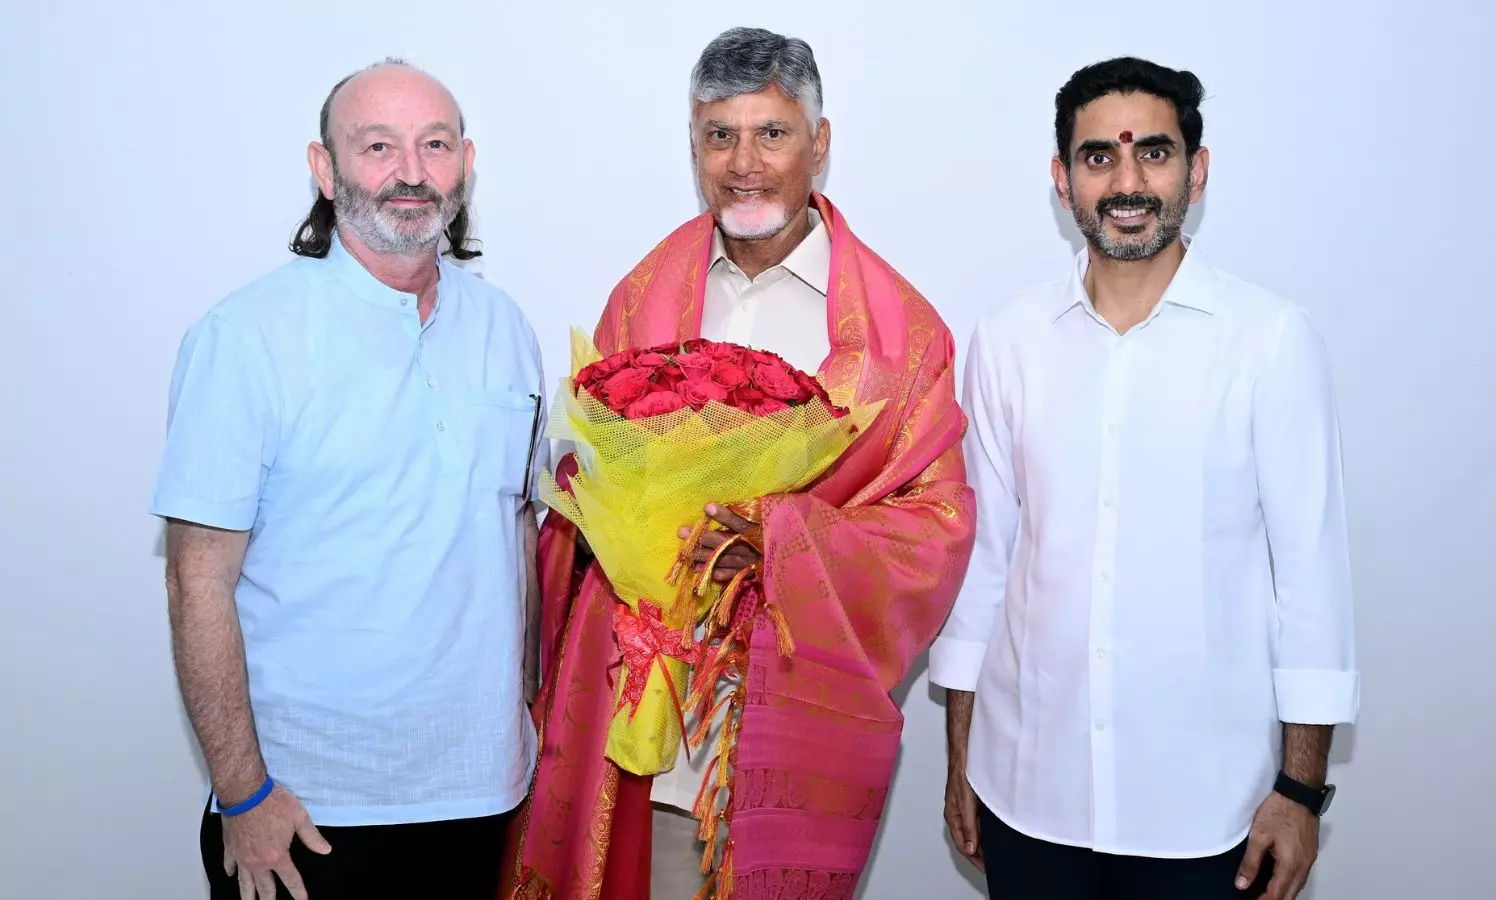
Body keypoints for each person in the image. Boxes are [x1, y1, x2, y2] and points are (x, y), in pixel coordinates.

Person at [500, 26, 977, 900]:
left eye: (772, 133)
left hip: (785, 740)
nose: (743, 163)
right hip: (638, 751)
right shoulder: (643, 298)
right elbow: (584, 493)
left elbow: (934, 530)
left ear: (819, 144)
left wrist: (783, 542)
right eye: (719, 135)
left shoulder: (897, 339)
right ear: (693, 146)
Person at [930, 56, 1360, 900]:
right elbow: (982, 566)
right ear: (1063, 181)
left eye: (1153, 153)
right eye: (1099, 157)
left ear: (1197, 172)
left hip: (1212, 812)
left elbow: (1312, 581)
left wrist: (1301, 791)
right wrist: (962, 762)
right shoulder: (1009, 340)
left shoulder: (1270, 342)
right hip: (1027, 793)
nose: (1127, 183)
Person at [150, 58, 546, 900]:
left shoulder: (507, 328)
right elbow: (196, 581)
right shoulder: (245, 338)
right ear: (325, 170)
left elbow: (516, 528)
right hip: (307, 812)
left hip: (486, 792)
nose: (411, 172)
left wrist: (530, 708)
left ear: (466, 164)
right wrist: (243, 794)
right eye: (377, 146)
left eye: (434, 144)